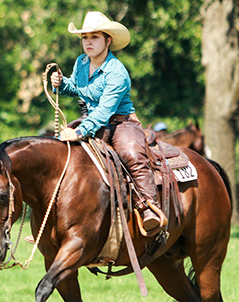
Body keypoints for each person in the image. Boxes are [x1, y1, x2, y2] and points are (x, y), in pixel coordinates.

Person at [52, 11, 165, 233]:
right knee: (57, 150)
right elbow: (78, 87)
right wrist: (62, 83)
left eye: (94, 37)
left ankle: (149, 208)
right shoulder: (81, 62)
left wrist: (80, 131)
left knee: (132, 154)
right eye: (85, 37)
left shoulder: (117, 72)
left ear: (108, 40)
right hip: (91, 121)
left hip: (120, 123)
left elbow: (105, 110)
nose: (88, 42)